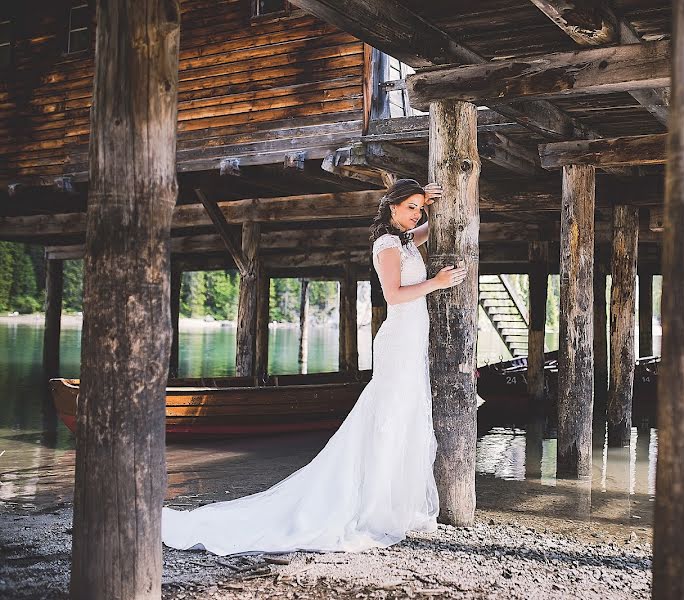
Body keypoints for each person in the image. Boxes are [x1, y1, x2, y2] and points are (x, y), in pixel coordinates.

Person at [161, 179, 468, 555]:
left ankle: (393, 501)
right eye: (410, 207)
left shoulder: (404, 240)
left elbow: (423, 232)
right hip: (399, 341)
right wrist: (436, 283)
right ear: (391, 207)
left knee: (403, 418)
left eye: (419, 208)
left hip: (412, 341)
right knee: (388, 419)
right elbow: (394, 295)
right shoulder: (386, 244)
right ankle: (374, 505)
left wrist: (431, 205)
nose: (416, 214)